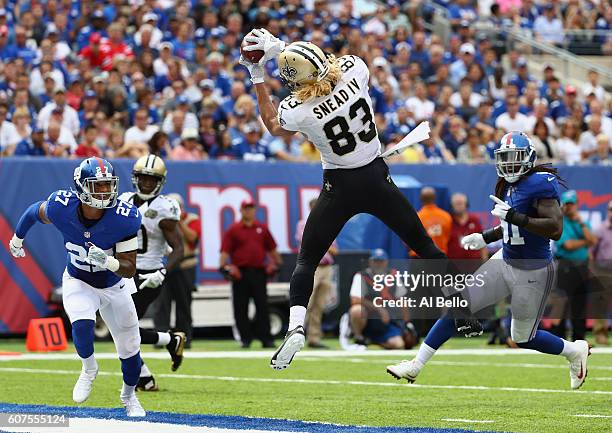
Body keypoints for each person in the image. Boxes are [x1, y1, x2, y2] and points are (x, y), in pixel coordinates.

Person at [238, 29, 475, 370]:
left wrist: (258, 72)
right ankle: (464, 308)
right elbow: (327, 63)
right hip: (376, 178)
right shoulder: (355, 69)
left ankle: (295, 326)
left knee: (307, 261)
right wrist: (284, 49)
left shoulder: (300, 109)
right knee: (426, 247)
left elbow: (273, 124)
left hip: (339, 186)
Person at [387, 131, 591, 390]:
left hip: (533, 270)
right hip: (504, 259)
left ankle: (574, 352)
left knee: (522, 338)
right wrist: (485, 237)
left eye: (514, 158)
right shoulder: (508, 184)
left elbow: (554, 228)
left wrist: (514, 217)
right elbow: (509, 225)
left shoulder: (541, 183)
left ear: (528, 158)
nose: (508, 164)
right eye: (504, 158)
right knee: (459, 306)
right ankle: (416, 365)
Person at [8, 158, 145, 416]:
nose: (105, 192)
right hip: (78, 279)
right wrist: (17, 238)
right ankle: (89, 368)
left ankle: (129, 396)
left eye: (108, 186)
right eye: (98, 186)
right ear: (81, 187)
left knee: (130, 350)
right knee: (81, 324)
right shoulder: (62, 207)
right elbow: (34, 212)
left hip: (115, 285)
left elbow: (130, 267)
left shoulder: (124, 217)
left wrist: (109, 261)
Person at [117, 155, 186, 391]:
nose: (146, 183)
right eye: (143, 178)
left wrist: (163, 272)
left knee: (123, 328)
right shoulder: (123, 200)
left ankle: (143, 377)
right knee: (123, 328)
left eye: (151, 179)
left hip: (148, 275)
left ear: (160, 182)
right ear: (135, 178)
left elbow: (179, 248)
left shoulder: (164, 207)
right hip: (124, 271)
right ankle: (168, 341)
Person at [219, 200, 282, 348]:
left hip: (259, 272)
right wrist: (223, 265)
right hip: (241, 273)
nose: (249, 211)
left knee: (263, 306)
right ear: (241, 210)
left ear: (254, 210)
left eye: (251, 208)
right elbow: (225, 251)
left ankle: (266, 338)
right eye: (246, 209)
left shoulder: (262, 228)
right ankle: (245, 339)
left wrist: (277, 263)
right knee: (240, 308)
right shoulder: (234, 229)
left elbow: (272, 249)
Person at [154, 193, 201, 348]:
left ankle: (184, 337)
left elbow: (192, 237)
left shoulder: (191, 219)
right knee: (162, 303)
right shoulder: (163, 220)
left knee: (184, 304)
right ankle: (161, 336)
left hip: (185, 266)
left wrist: (178, 220)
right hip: (168, 265)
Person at [551, 190, 597, 342]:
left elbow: (593, 240)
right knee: (562, 303)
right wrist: (585, 242)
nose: (569, 207)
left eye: (572, 204)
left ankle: (579, 339)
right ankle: (560, 338)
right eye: (566, 204)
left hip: (582, 267)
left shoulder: (582, 222)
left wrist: (582, 224)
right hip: (566, 266)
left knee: (580, 305)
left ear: (577, 205)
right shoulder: (561, 222)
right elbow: (568, 245)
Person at [346, 249, 414, 350]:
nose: (378, 264)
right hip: (368, 320)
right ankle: (359, 337)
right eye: (375, 261)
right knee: (356, 310)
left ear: (386, 262)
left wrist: (408, 323)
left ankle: (373, 342)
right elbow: (355, 299)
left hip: (387, 321)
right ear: (370, 262)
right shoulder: (362, 276)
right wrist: (379, 309)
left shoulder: (394, 275)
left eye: (381, 261)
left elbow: (402, 300)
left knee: (398, 344)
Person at [296, 198, 338, 349]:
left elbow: (335, 250)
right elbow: (308, 241)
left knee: (320, 304)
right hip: (313, 267)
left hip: (327, 267)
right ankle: (295, 335)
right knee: (306, 302)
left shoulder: (329, 224)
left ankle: (314, 337)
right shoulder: (303, 223)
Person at [592, 200, 612, 345]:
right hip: (603, 271)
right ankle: (600, 333)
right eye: (611, 210)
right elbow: (592, 252)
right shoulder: (600, 229)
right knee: (601, 304)